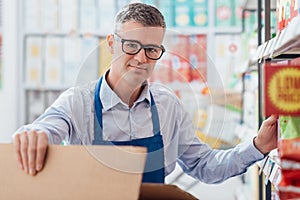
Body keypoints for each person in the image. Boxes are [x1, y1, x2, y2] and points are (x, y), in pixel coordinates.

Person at [13, 3, 278, 184]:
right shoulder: (76, 103)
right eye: (131, 45)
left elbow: (204, 165)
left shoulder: (167, 106)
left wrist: (259, 146)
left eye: (152, 49)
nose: (141, 58)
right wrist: (34, 136)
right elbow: (46, 128)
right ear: (111, 43)